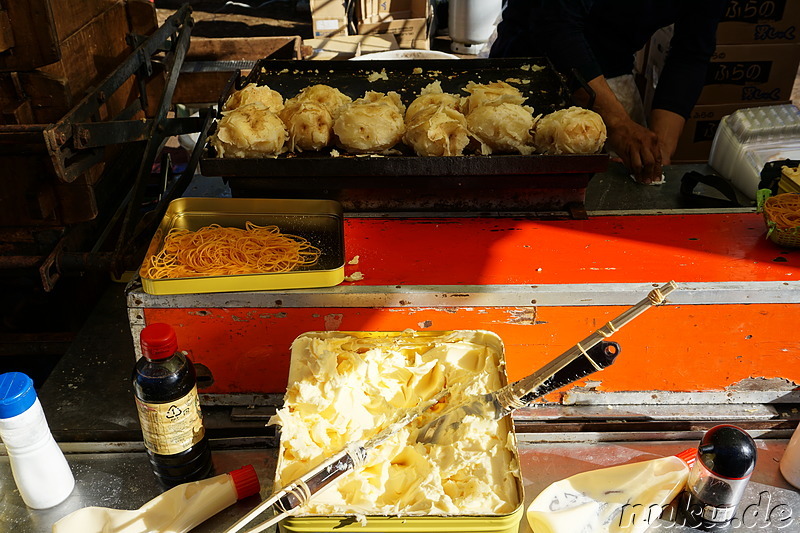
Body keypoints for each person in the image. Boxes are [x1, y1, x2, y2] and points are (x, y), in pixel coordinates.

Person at [490, 0, 727, 185]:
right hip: (528, 67)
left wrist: (661, 149)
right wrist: (618, 123)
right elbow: (555, 24)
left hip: (612, 75)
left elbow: (691, 52)